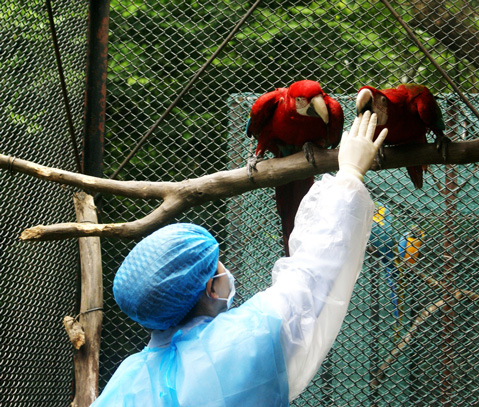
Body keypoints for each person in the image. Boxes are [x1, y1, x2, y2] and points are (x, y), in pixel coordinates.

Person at [91, 111, 388, 406]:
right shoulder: (246, 339)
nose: (227, 270)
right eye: (218, 265)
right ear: (211, 288)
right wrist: (349, 175)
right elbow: (312, 275)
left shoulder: (125, 381)